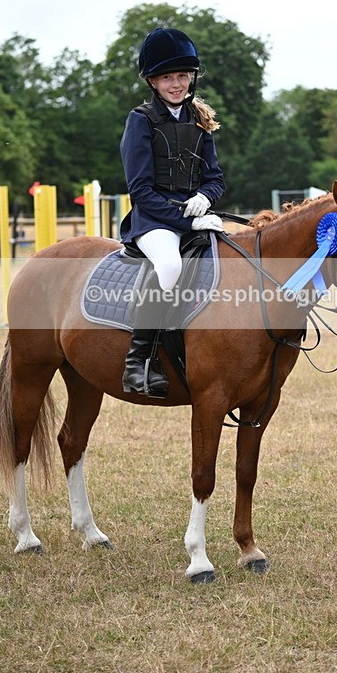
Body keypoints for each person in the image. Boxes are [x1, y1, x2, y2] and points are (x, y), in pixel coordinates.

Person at [119, 27, 226, 396]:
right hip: (153, 221)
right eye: (168, 77)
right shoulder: (141, 120)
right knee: (169, 266)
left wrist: (205, 199)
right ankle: (138, 362)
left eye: (183, 76)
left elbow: (215, 178)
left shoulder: (199, 119)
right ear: (153, 80)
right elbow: (140, 191)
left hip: (195, 215)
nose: (177, 84)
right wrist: (186, 218)